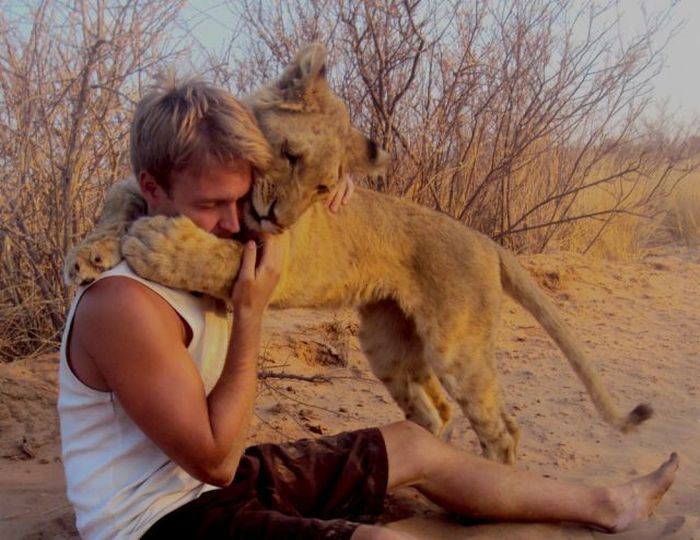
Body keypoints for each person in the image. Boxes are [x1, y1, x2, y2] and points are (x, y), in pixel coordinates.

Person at [58, 77, 678, 540]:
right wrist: (249, 317)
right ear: (151, 189)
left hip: (198, 479)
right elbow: (217, 461)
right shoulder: (123, 304)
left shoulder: (211, 226)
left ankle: (604, 504)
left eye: (242, 199)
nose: (236, 222)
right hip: (158, 520)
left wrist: (326, 176)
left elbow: (271, 157)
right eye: (212, 206)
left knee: (417, 443)